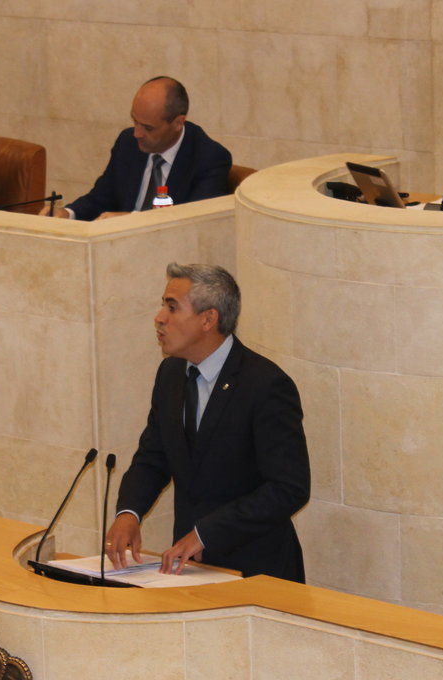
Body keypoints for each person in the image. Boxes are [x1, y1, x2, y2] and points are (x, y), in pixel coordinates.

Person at [104, 263, 311, 582]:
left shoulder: (265, 385)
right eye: (163, 305)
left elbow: (288, 489)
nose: (159, 317)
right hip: (191, 571)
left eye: (172, 307)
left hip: (258, 572)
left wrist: (205, 533)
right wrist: (128, 512)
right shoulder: (170, 374)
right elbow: (153, 457)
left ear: (208, 319)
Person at [44, 77, 232, 220]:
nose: (137, 133)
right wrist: (67, 213)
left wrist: (130, 220)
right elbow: (101, 198)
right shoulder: (127, 143)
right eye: (135, 121)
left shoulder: (210, 158)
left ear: (178, 123)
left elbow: (194, 222)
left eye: (148, 128)